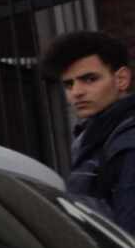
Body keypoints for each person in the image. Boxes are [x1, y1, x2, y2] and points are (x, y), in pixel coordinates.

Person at [41, 30, 135, 231]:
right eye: (68, 84)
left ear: (121, 79)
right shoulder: (95, 135)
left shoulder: (127, 139)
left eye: (89, 79)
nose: (76, 92)